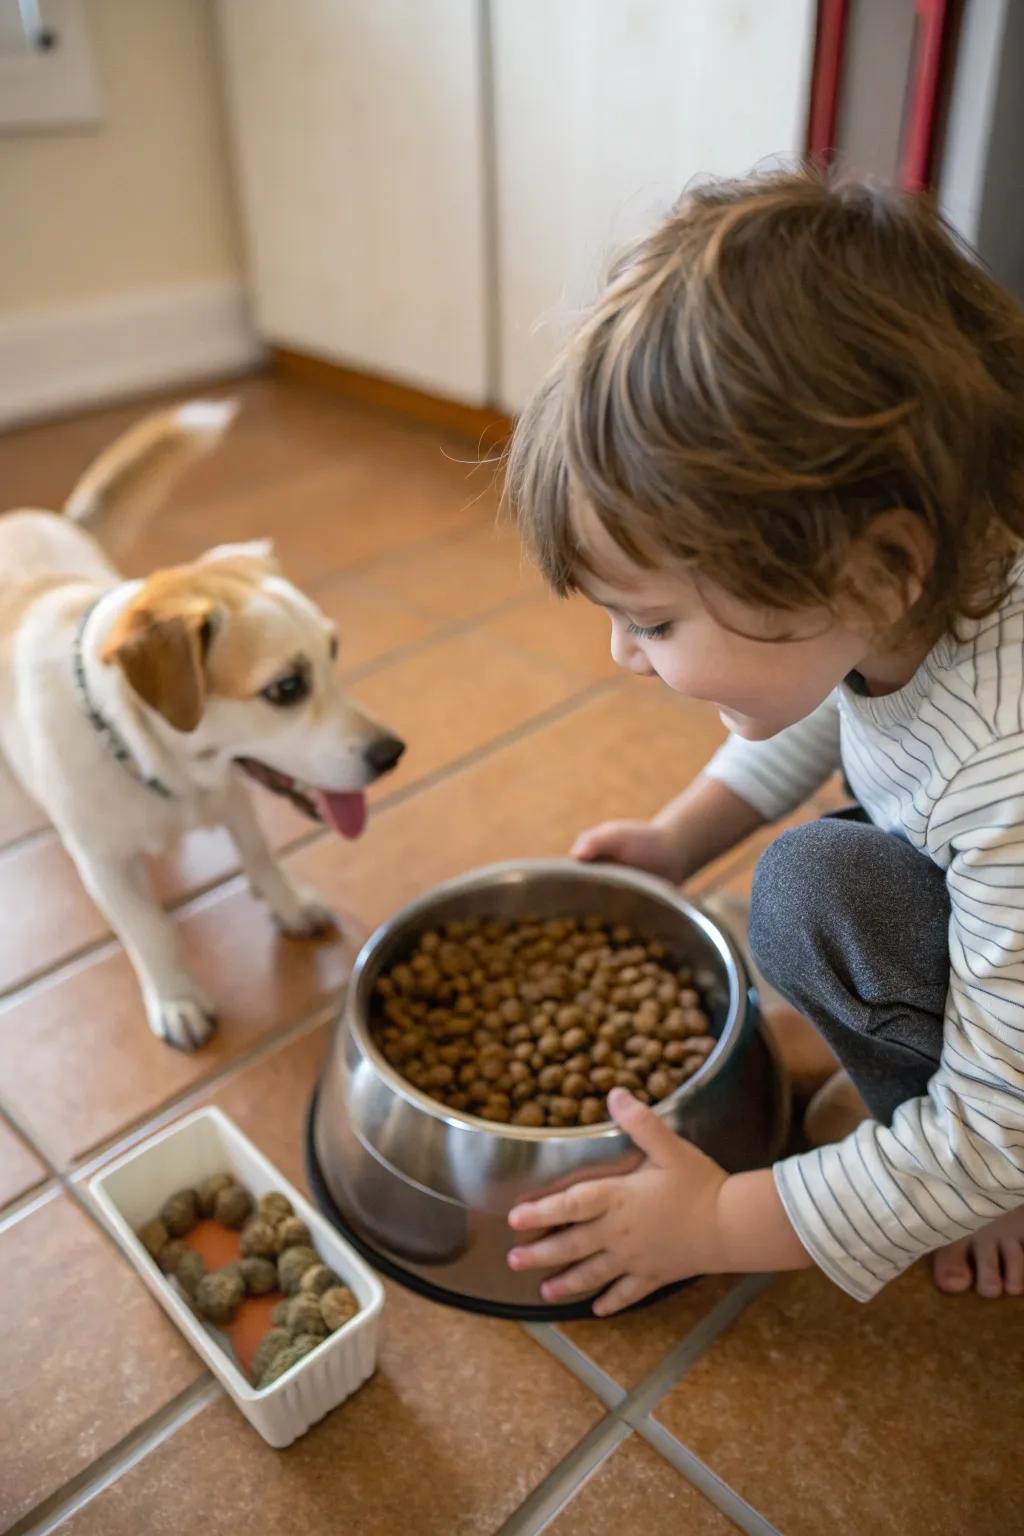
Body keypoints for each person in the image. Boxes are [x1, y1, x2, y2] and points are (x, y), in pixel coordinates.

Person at [501, 168, 1024, 1314]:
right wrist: (680, 839)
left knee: (810, 896)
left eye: (652, 621)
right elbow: (835, 694)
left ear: (877, 570)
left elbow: (1004, 1123)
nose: (621, 655)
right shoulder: (900, 591)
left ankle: (971, 1183)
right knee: (833, 879)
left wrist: (711, 1223)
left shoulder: (1006, 771)